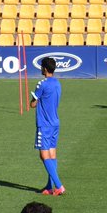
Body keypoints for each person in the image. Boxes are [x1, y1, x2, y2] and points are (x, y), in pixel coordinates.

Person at [29, 56, 64, 196]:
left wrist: (34, 100)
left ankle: (59, 186)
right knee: (52, 154)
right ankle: (49, 187)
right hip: (55, 122)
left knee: (44, 155)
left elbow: (33, 104)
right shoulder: (58, 83)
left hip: (44, 124)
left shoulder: (42, 84)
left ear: (44, 68)